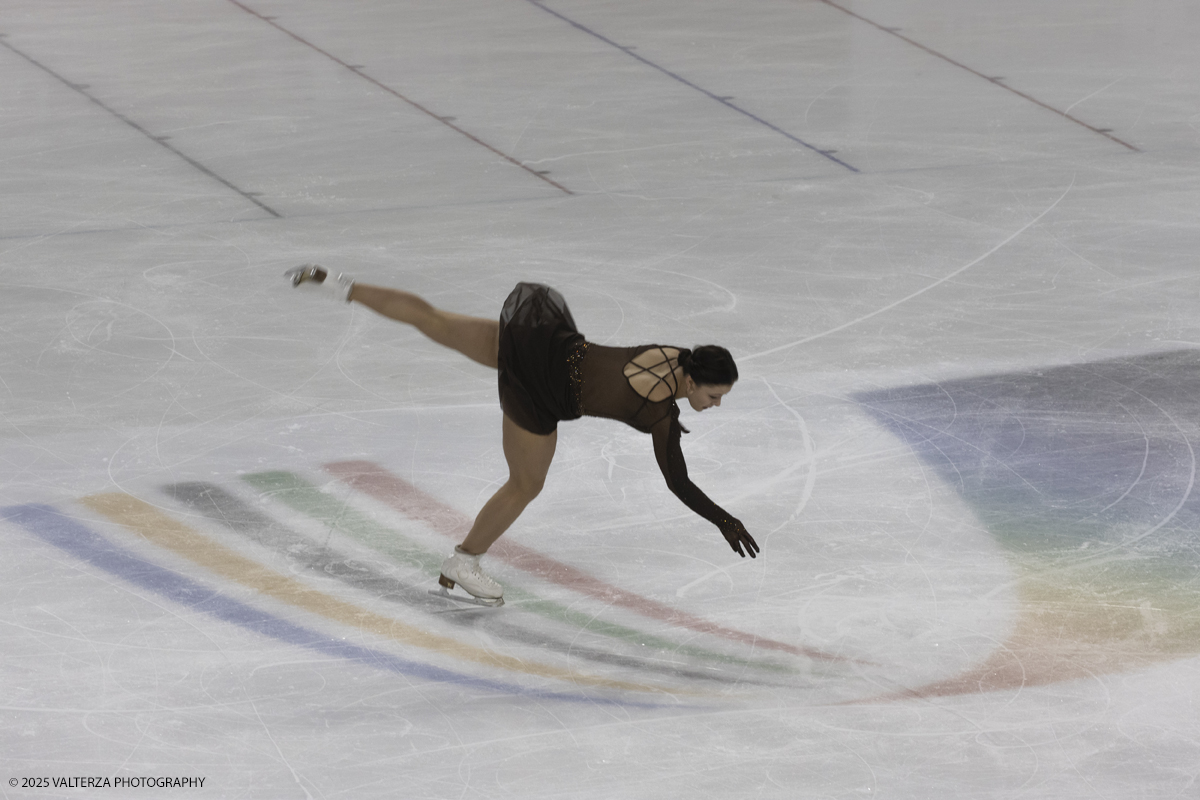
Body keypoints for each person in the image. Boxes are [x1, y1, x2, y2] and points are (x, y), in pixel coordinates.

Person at [285, 266, 758, 606]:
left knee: (434, 321)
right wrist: (723, 519)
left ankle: (337, 283)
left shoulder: (677, 356)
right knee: (525, 485)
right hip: (539, 395)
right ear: (693, 383)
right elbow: (678, 482)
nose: (716, 405)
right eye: (715, 396)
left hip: (539, 340)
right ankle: (463, 560)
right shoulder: (659, 416)